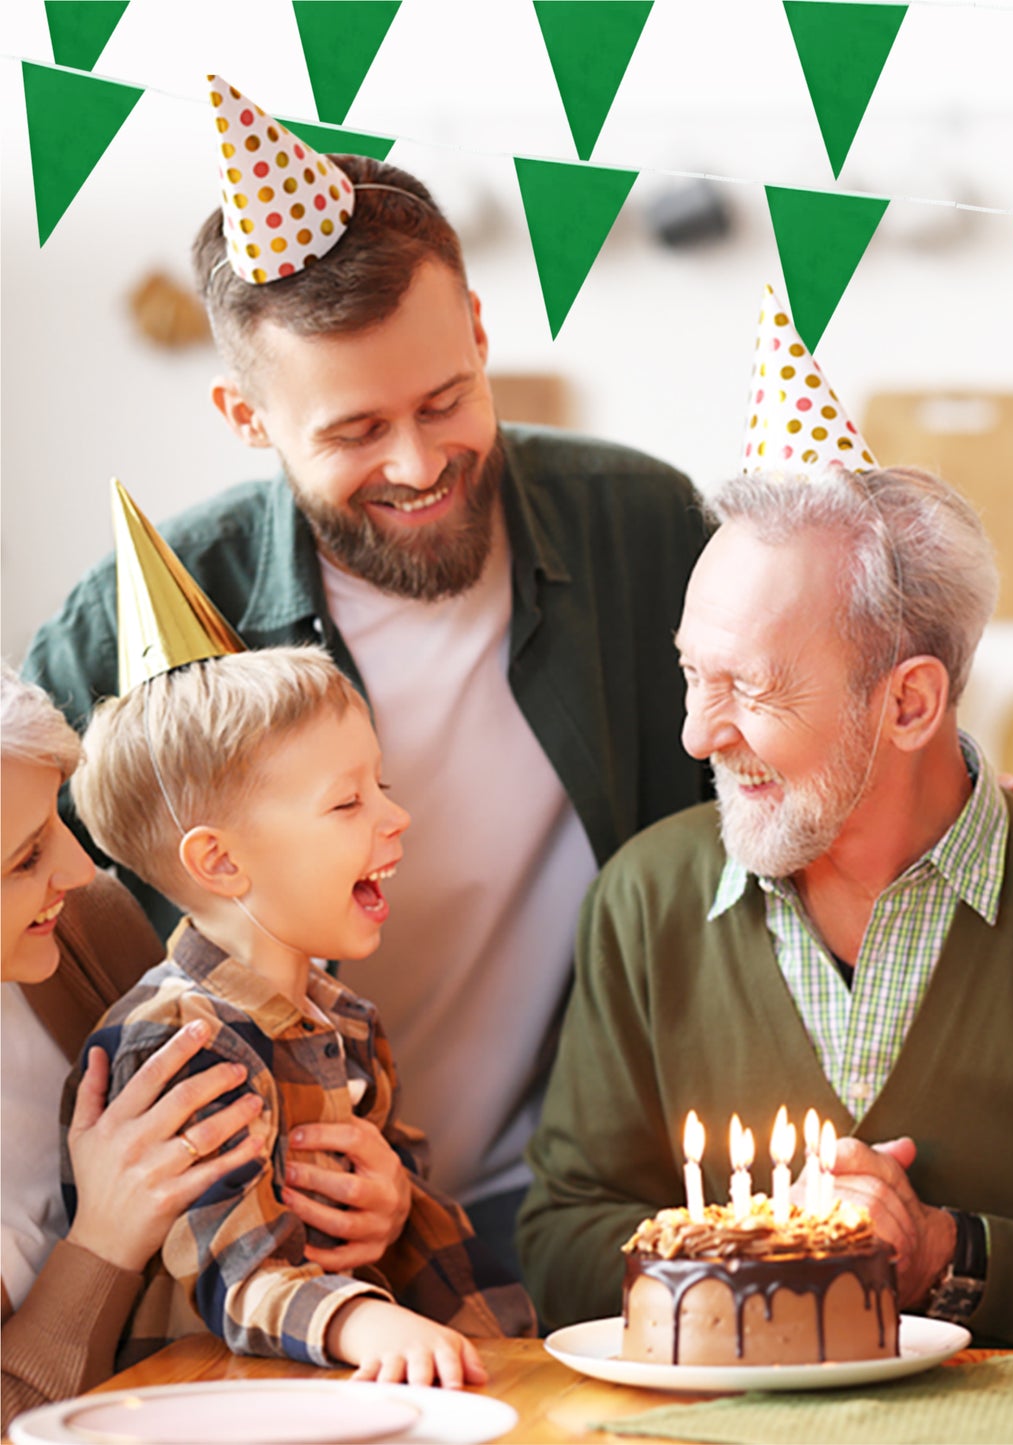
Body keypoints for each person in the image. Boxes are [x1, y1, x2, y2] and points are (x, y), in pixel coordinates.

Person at [23, 115, 711, 1272]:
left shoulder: (638, 529)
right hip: (265, 1230)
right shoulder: (144, 613)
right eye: (354, 429)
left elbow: (792, 772)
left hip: (569, 1203)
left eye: (444, 400)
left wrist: (978, 798)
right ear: (249, 421)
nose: (416, 460)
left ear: (481, 336)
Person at [515, 465, 1013, 1347]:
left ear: (908, 702)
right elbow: (559, 1240)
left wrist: (951, 1255)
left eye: (750, 688)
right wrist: (774, 1263)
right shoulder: (641, 902)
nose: (696, 731)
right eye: (692, 671)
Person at [65, 645, 501, 1382]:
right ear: (220, 862)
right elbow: (234, 1269)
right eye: (347, 801)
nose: (397, 814)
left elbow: (415, 1237)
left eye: (381, 783)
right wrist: (360, 1319)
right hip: (204, 1412)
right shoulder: (176, 1043)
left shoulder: (348, 1022)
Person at [1, 666, 261, 1431]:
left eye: (58, 822)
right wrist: (103, 1243)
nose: (78, 870)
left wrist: (371, 1200)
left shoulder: (86, 925)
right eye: (24, 858)